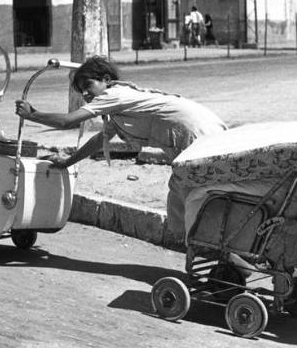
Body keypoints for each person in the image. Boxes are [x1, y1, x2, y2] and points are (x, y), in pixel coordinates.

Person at [14, 56, 227, 240]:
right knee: (183, 196)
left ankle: (218, 253)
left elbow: (68, 121)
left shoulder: (113, 95)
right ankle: (201, 248)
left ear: (106, 80)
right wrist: (68, 162)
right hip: (199, 134)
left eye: (88, 86)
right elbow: (99, 140)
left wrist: (32, 114)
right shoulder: (119, 103)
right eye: (82, 92)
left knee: (198, 198)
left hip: (198, 136)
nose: (86, 95)